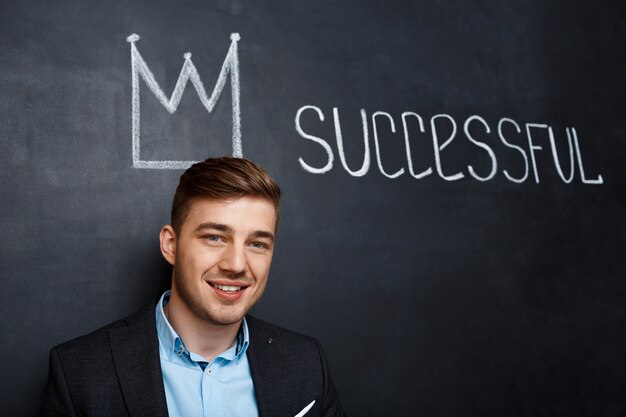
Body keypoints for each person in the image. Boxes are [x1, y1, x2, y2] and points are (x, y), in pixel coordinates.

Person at [41, 157, 345, 417]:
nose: (237, 264)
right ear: (171, 245)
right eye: (215, 237)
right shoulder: (80, 373)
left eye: (256, 243)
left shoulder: (307, 364)